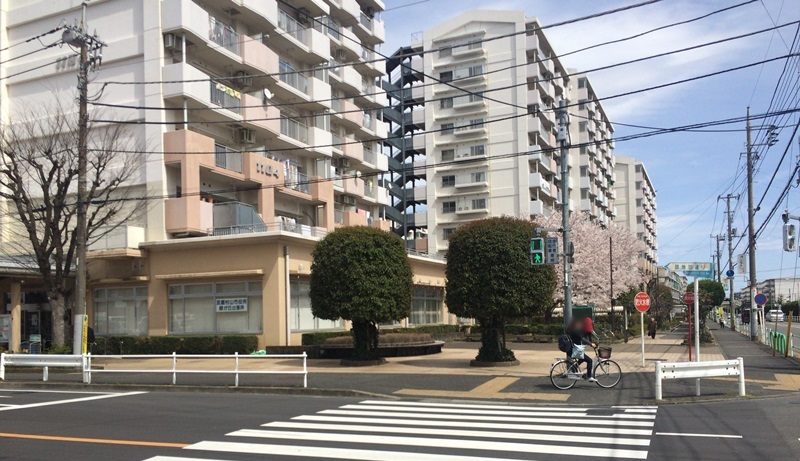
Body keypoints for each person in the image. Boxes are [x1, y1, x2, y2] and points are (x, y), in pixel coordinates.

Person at [567, 317, 596, 382]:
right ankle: (589, 376)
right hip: (576, 350)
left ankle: (573, 369)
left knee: (582, 359)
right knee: (589, 361)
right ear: (576, 324)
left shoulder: (571, 330)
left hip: (574, 349)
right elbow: (582, 339)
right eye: (579, 323)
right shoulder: (575, 331)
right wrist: (591, 344)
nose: (580, 325)